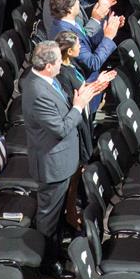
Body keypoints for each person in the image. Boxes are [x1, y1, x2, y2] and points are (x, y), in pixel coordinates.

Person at [21, 40, 105, 254]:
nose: (62, 64)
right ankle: (49, 260)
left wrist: (84, 96)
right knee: (49, 217)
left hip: (63, 160)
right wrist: (79, 106)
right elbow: (60, 129)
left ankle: (59, 245)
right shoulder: (37, 92)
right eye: (59, 61)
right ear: (48, 66)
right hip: (52, 166)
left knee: (57, 213)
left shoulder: (48, 80)